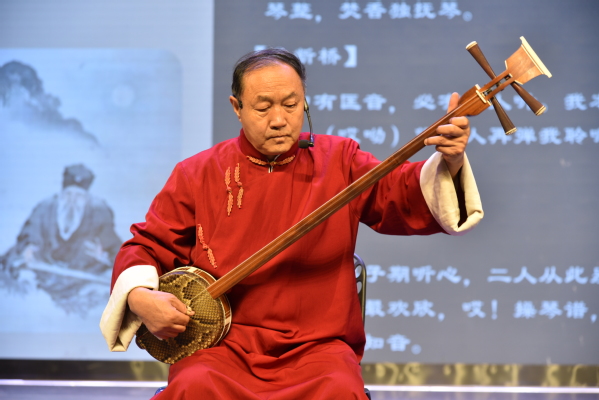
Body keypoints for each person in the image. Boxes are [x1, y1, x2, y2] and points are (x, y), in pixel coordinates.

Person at [100, 48, 483, 399]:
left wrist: (448, 162)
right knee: (194, 385)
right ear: (237, 107)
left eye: (291, 104)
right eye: (263, 107)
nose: (279, 120)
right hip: (223, 347)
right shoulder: (198, 173)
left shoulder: (340, 160)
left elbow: (399, 192)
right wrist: (140, 297)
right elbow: (147, 245)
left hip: (317, 346)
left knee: (339, 388)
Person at [1, 164, 122, 315]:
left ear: (87, 198)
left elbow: (113, 246)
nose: (73, 200)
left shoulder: (99, 212)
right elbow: (30, 232)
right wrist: (29, 248)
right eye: (68, 194)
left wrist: (103, 254)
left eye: (79, 196)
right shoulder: (45, 207)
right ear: (61, 194)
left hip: (80, 274)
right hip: (43, 267)